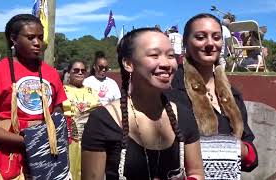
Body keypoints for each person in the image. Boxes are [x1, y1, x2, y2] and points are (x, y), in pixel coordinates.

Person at [81, 27, 204, 180]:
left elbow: (196, 173)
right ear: (128, 63)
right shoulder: (102, 120)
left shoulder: (184, 115)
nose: (166, 63)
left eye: (171, 55)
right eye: (154, 55)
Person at [166, 13, 258, 178]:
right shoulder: (171, 89)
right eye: (201, 37)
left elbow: (250, 152)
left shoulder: (233, 94)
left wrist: (242, 150)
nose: (210, 43)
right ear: (186, 43)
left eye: (216, 37)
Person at [0, 14, 67, 179]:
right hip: (7, 157)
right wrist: (28, 141)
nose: (37, 43)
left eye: (40, 37)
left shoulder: (51, 73)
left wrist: (50, 139)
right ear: (13, 39)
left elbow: (58, 115)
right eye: (30, 37)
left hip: (47, 156)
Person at [62, 61, 100, 180]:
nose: (80, 73)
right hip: (70, 139)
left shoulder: (92, 91)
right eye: (76, 70)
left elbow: (99, 113)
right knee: (70, 171)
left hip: (90, 139)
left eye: (83, 71)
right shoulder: (62, 90)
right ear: (69, 72)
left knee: (89, 170)